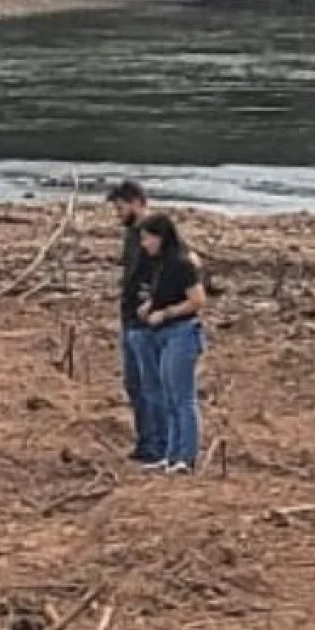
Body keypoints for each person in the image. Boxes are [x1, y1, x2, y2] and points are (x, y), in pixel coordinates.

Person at [135, 213, 207, 475]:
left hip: (182, 333)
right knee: (168, 395)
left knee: (183, 397)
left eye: (147, 238)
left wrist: (166, 314)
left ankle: (186, 457)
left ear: (160, 237)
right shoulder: (162, 264)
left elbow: (197, 300)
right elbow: (165, 293)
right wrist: (150, 307)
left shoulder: (182, 263)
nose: (144, 244)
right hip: (163, 334)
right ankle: (171, 454)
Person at [107, 179, 164, 465]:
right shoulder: (131, 234)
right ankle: (146, 442)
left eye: (121, 207)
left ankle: (157, 445)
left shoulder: (154, 233)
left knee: (149, 384)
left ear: (138, 203)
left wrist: (154, 304)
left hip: (144, 322)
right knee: (134, 383)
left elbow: (175, 268)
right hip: (129, 318)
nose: (118, 214)